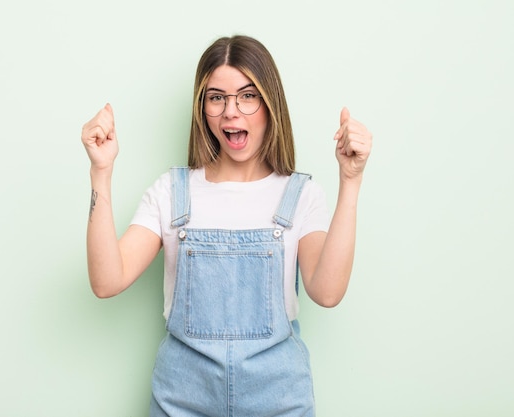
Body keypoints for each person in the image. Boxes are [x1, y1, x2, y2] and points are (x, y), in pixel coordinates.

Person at [81, 35, 372, 416]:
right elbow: (107, 280)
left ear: (270, 105)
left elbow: (327, 291)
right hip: (182, 401)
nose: (231, 112)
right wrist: (101, 173)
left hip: (279, 401)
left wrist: (350, 180)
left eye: (247, 96)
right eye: (216, 97)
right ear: (203, 109)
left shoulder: (300, 194)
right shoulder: (171, 192)